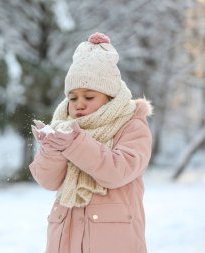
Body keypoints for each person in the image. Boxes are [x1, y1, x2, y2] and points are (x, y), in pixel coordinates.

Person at [29, 32, 153, 253]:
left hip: (112, 243)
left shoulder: (131, 125)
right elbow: (48, 181)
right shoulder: (63, 128)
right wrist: (52, 149)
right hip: (66, 241)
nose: (79, 105)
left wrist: (75, 144)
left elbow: (117, 172)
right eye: (73, 98)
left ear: (110, 97)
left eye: (89, 97)